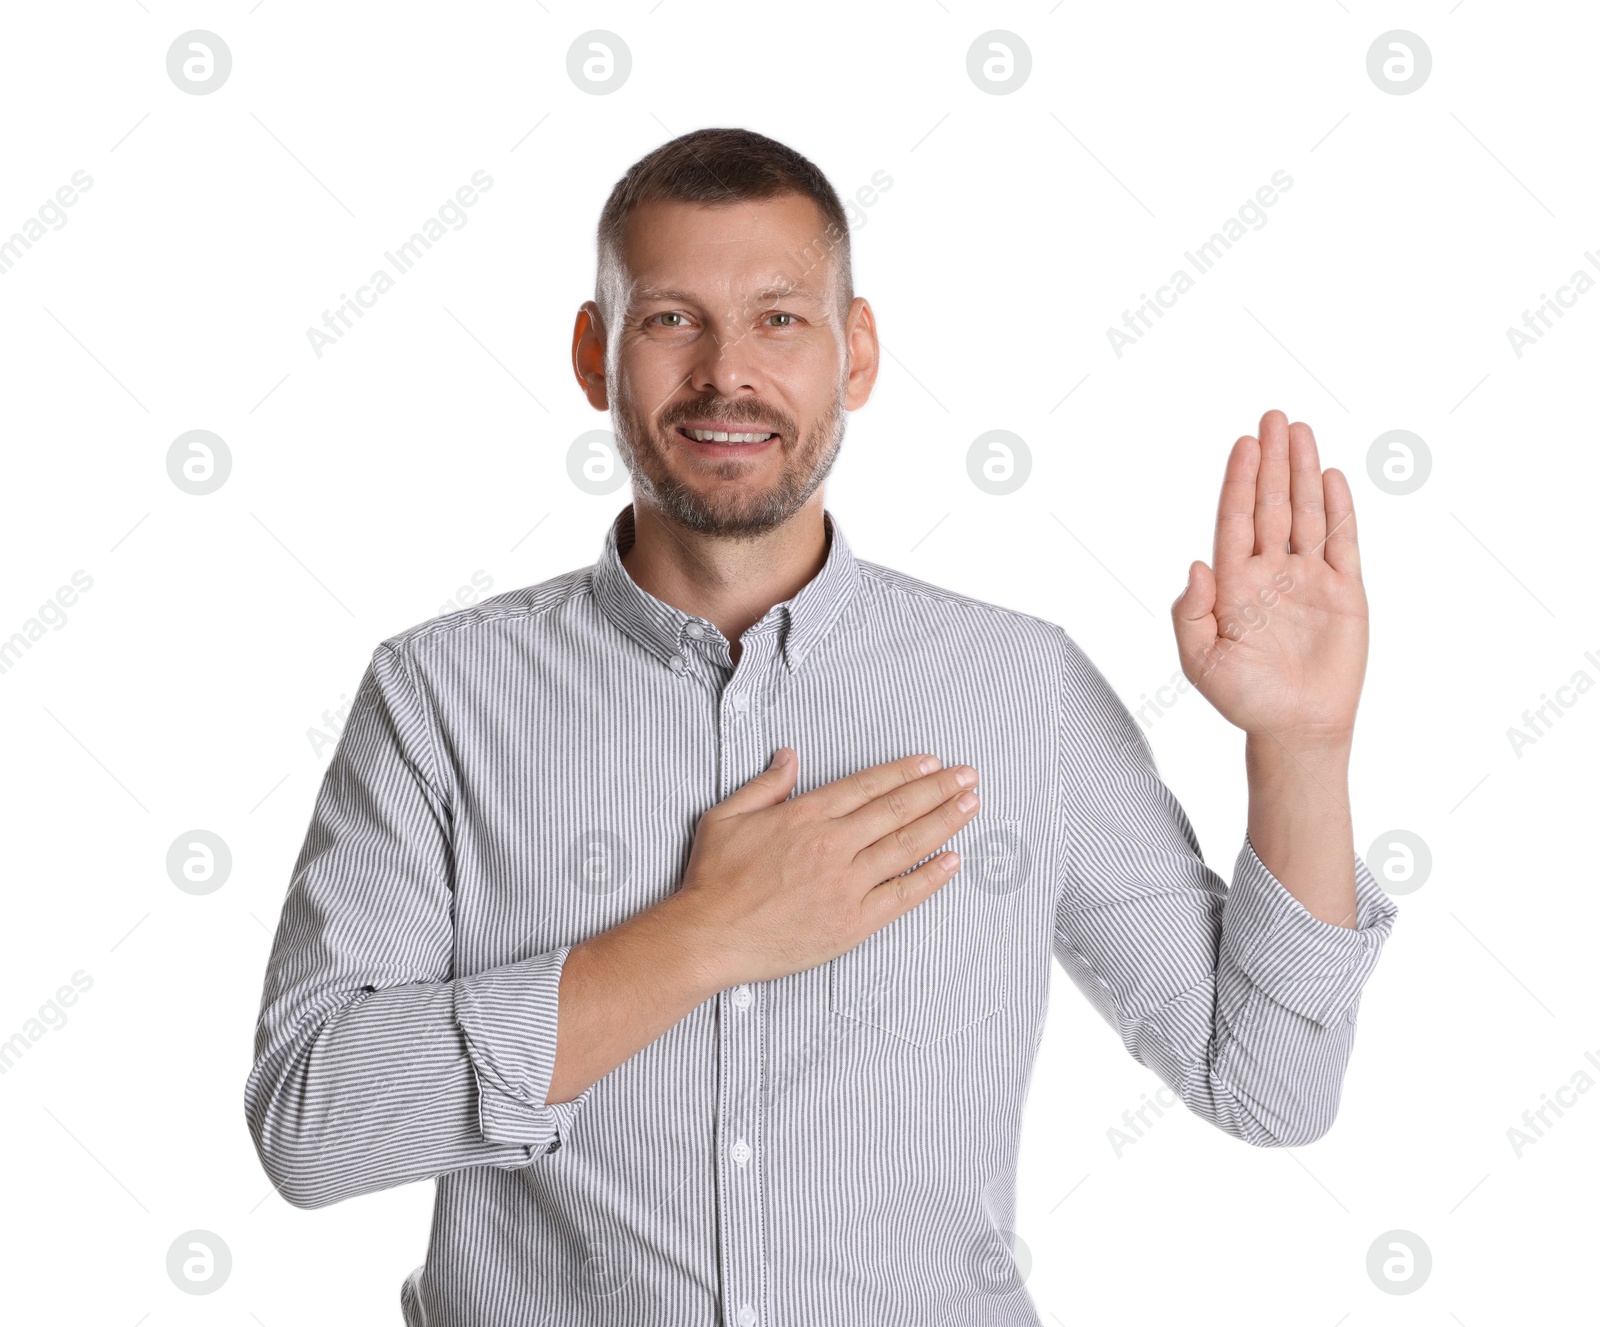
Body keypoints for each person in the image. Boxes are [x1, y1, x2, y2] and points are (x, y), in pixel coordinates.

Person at [245, 126, 1399, 1326]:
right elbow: (313, 1127)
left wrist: (1301, 750)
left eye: (781, 319)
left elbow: (1267, 1084)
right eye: (670, 319)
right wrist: (699, 938)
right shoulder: (441, 696)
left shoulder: (1016, 687)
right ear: (594, 355)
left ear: (857, 354)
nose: (725, 373)